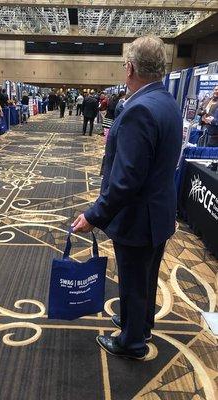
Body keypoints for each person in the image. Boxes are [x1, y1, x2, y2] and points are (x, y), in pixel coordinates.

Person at [72, 35, 182, 360]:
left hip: (137, 217)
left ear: (130, 67)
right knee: (146, 277)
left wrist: (94, 214)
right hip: (158, 212)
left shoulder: (140, 110)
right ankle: (141, 324)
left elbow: (126, 180)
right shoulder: (167, 101)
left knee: (133, 280)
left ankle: (132, 342)